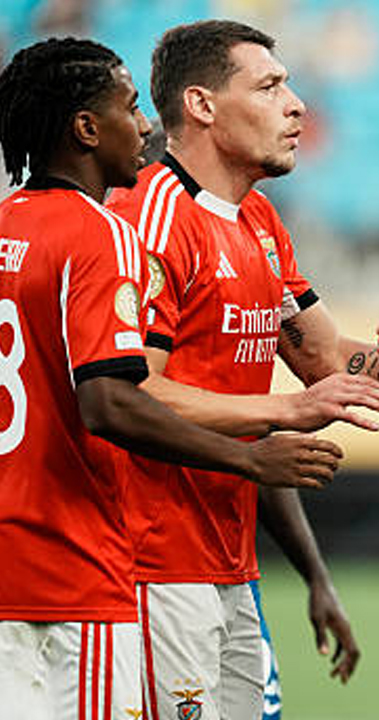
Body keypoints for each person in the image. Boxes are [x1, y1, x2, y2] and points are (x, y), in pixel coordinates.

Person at [0, 37, 342, 719]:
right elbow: (113, 401)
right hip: (85, 565)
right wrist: (256, 448)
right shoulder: (108, 232)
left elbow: (324, 355)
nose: (146, 125)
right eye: (130, 109)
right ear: (87, 129)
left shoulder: (10, 224)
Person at [106, 20, 379, 720]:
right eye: (269, 86)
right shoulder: (148, 218)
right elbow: (129, 392)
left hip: (230, 565)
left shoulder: (259, 220)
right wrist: (283, 411)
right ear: (203, 105)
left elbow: (328, 359)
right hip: (151, 567)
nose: (296, 104)